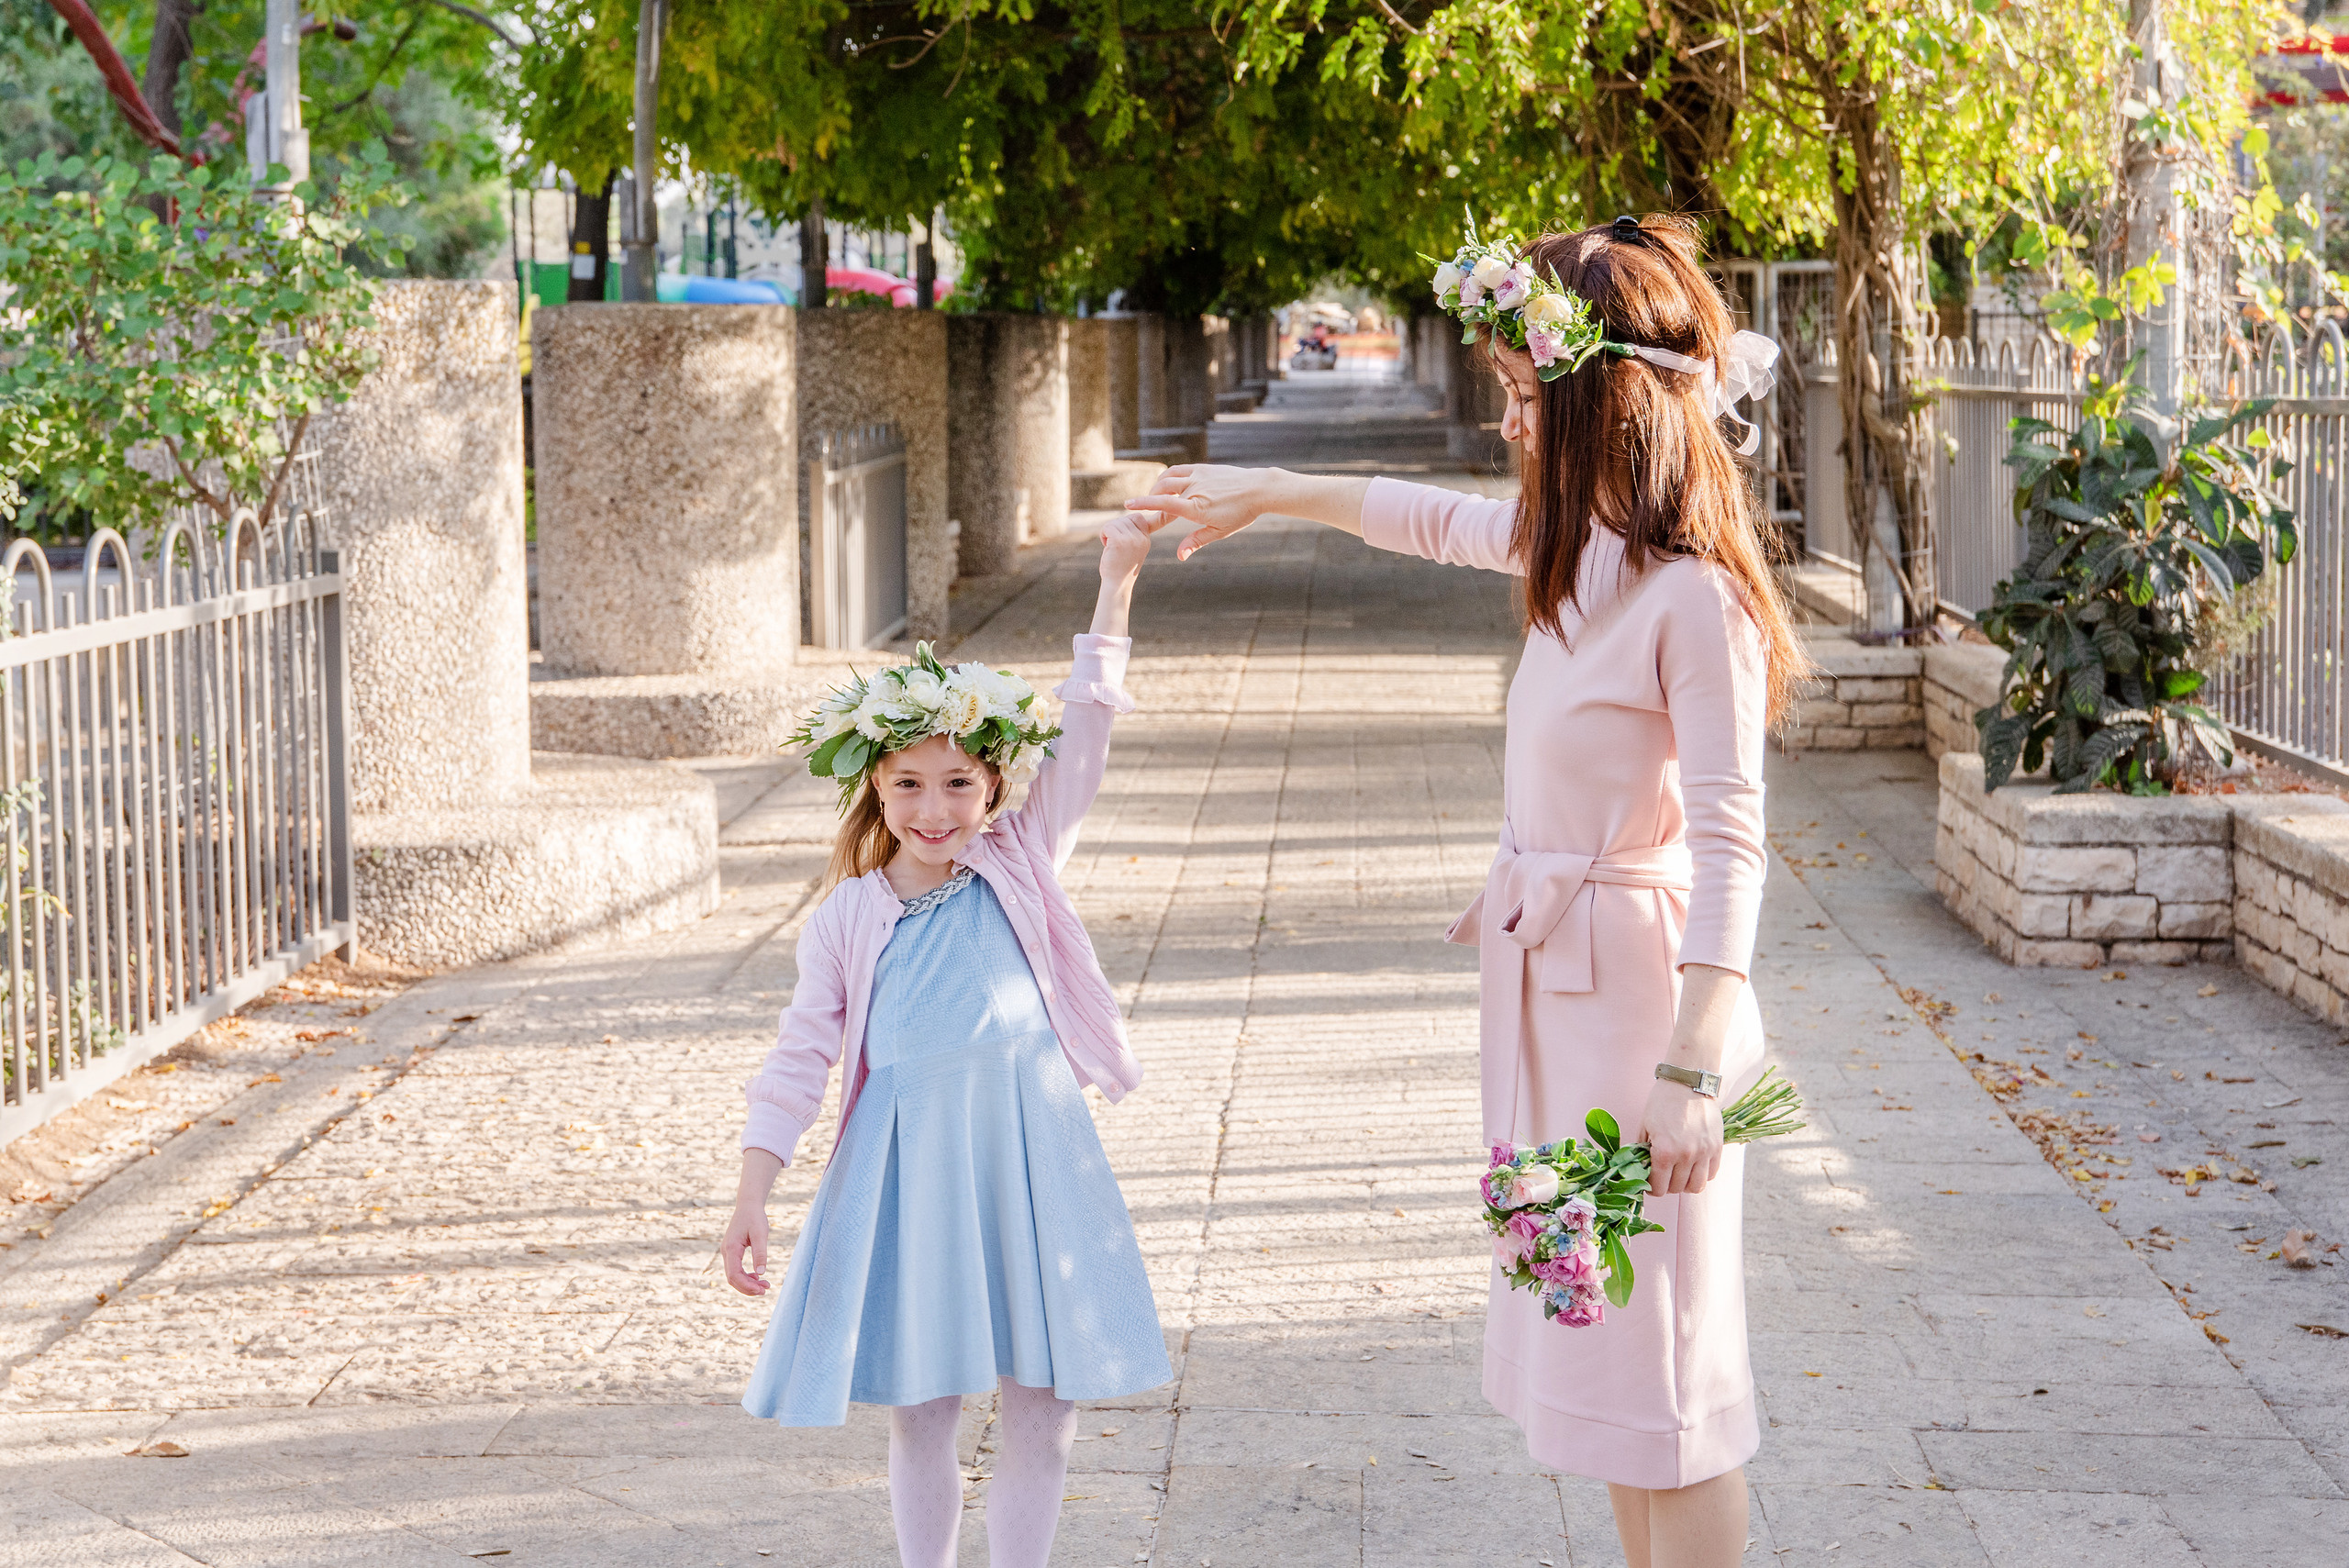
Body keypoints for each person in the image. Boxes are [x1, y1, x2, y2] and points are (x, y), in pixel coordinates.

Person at [1125, 215, 1805, 1568]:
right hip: (1556, 995)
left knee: (1673, 1376)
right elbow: (1422, 519)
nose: (1505, 418)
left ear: (1593, 396)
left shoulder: (1695, 603)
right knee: (1605, 1363)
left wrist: (1693, 1067)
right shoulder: (1578, 558)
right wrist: (1263, 498)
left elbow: (1734, 845)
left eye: (1518, 393)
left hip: (1640, 1012)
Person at [718, 514, 1173, 1568]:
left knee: (1045, 1404)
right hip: (910, 1163)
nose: (935, 807)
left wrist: (1116, 583)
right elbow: (799, 1056)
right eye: (910, 783)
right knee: (923, 1406)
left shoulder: (1019, 861)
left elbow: (1090, 727)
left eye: (960, 782)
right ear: (873, 784)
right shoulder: (847, 916)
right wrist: (753, 1188)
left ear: (997, 788)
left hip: (1031, 1151)